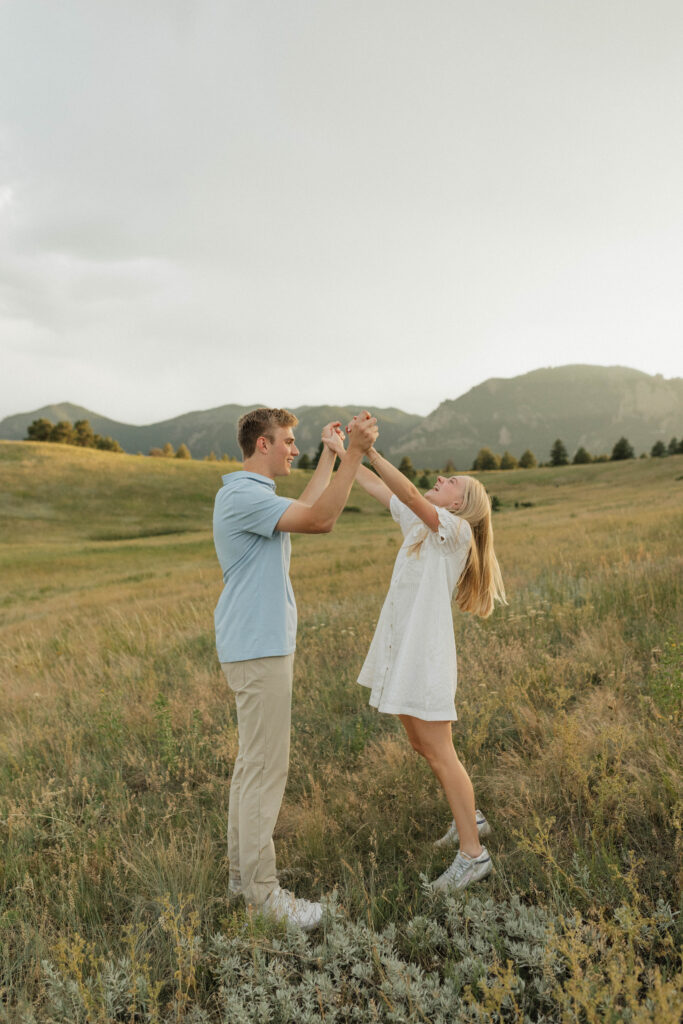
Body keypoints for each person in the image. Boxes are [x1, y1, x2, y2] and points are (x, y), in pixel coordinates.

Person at [324, 415, 506, 891]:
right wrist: (345, 450)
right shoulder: (423, 525)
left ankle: (474, 854)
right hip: (403, 651)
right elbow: (375, 486)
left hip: (426, 657)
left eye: (451, 482)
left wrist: (372, 450)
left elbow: (406, 492)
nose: (441, 479)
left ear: (459, 504)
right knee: (422, 745)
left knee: (440, 751)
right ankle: (470, 817)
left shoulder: (455, 532)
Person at [213, 408, 378, 930]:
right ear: (262, 444)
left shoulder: (251, 495)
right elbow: (321, 520)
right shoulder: (243, 495)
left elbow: (306, 507)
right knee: (264, 770)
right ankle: (263, 896)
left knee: (252, 767)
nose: (293, 449)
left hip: (256, 645)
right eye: (287, 441)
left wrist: (331, 456)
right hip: (258, 647)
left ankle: (242, 880)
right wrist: (354, 454)